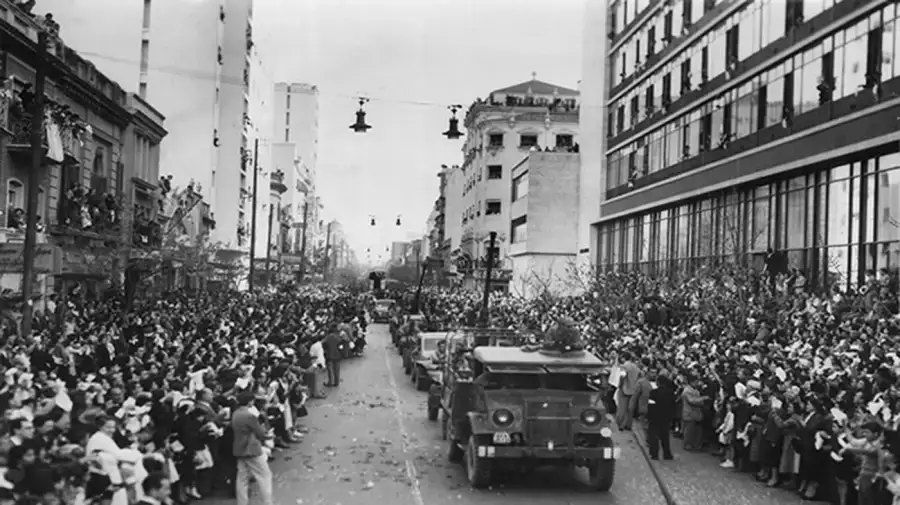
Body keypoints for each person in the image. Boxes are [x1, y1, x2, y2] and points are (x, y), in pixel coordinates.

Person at [231, 391, 273, 505]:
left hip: (239, 448)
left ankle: (242, 502)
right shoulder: (250, 416)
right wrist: (269, 435)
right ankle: (267, 502)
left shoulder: (235, 413)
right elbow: (260, 433)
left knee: (242, 479)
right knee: (264, 476)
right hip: (251, 448)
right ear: (250, 401)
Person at [647, 370, 675, 460]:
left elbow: (650, 405)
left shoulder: (653, 393)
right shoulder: (670, 393)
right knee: (665, 436)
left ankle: (654, 454)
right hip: (666, 417)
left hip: (655, 417)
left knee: (653, 436)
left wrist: (649, 416)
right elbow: (672, 406)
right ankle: (667, 454)